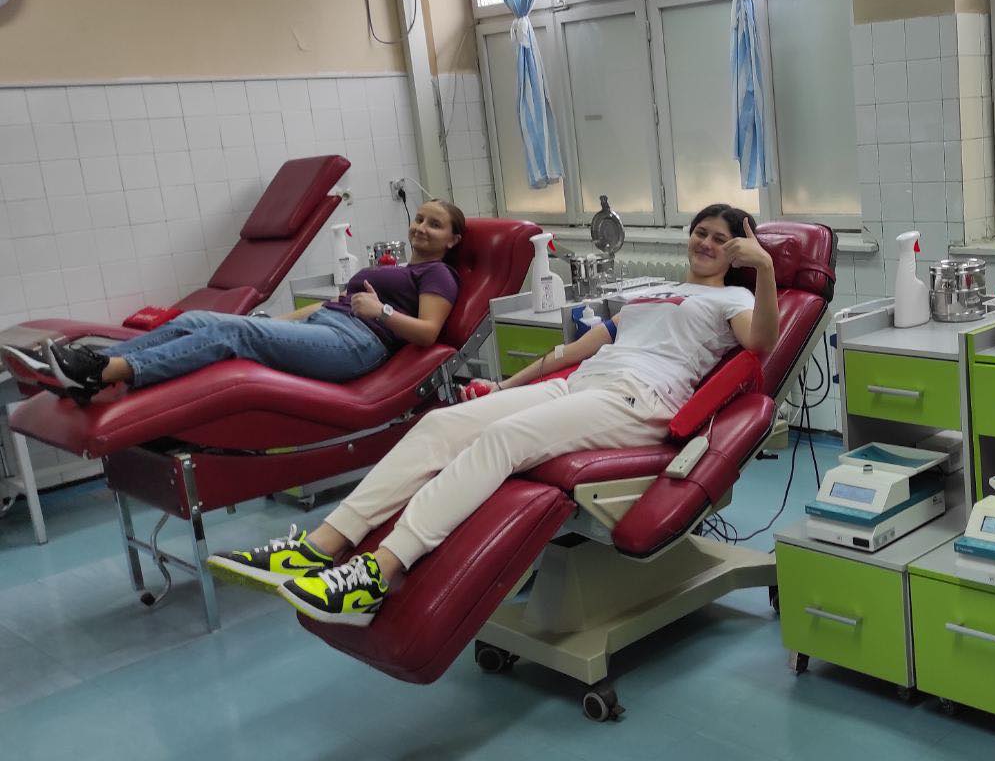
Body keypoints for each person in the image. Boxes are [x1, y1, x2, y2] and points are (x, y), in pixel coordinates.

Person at [208, 202, 779, 628]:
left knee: (504, 439)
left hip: (639, 400)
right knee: (440, 424)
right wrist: (501, 386)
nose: (706, 243)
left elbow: (760, 344)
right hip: (583, 384)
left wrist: (767, 269)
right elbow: (570, 354)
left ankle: (379, 571)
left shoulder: (734, 299)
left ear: (737, 249)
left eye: (720, 238)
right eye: (700, 232)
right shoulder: (647, 296)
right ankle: (320, 546)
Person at [14, 201, 465, 398]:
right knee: (197, 320)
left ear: (453, 240)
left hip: (356, 345)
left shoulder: (438, 274)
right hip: (327, 325)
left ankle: (104, 373)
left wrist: (381, 311)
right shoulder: (398, 269)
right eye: (419, 219)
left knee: (230, 333)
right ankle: (94, 364)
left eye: (435, 224)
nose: (421, 228)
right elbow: (327, 307)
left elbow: (428, 333)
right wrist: (274, 323)